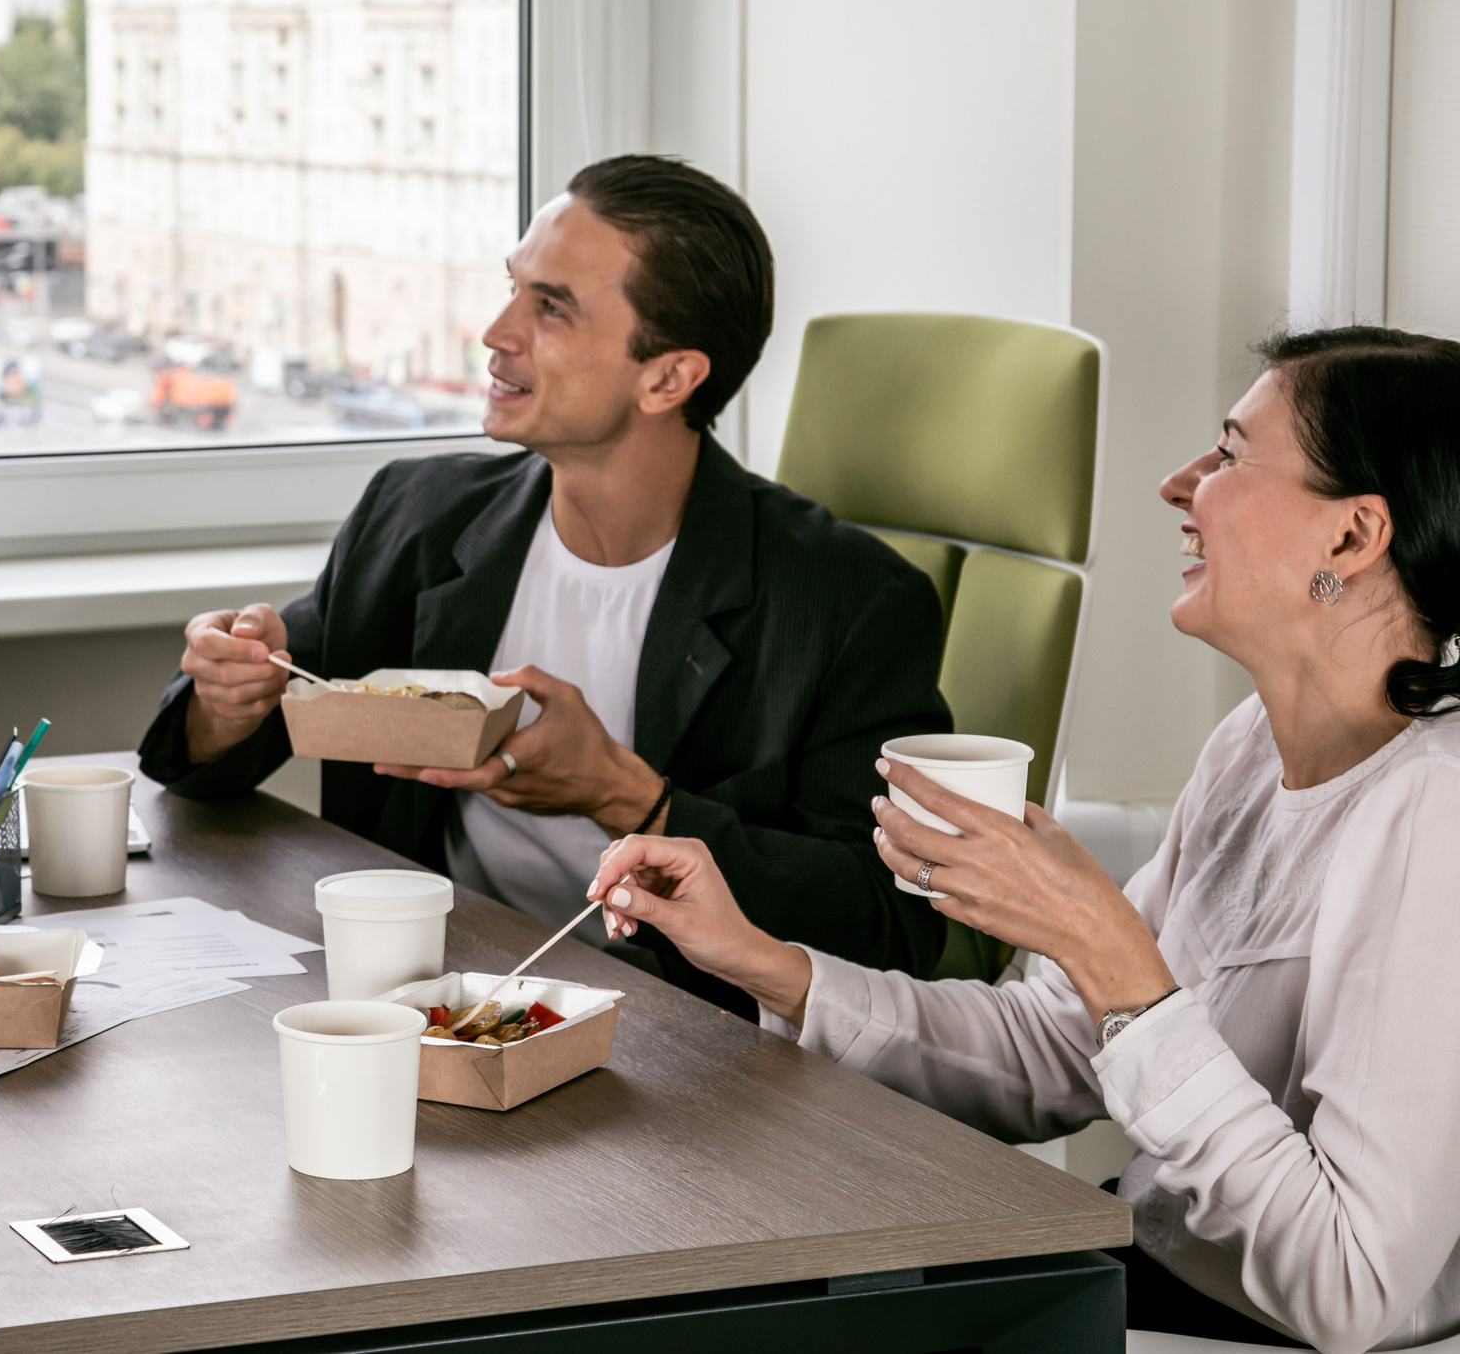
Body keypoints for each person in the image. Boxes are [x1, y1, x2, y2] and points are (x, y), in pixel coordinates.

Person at [587, 327, 1460, 1351]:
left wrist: (1117, 966)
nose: (1181, 484)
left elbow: (1349, 1286)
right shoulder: (1246, 749)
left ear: (1352, 539)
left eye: (1227, 455)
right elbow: (1054, 1053)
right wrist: (769, 967)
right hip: (1143, 1270)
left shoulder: (1431, 815)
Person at [140, 155, 953, 1013]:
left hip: (688, 1040)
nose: (496, 330)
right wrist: (226, 701)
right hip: (433, 1001)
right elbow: (205, 759)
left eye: (551, 306)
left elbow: (889, 923)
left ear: (668, 376)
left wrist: (628, 797)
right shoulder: (418, 514)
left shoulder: (847, 599)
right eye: (512, 287)